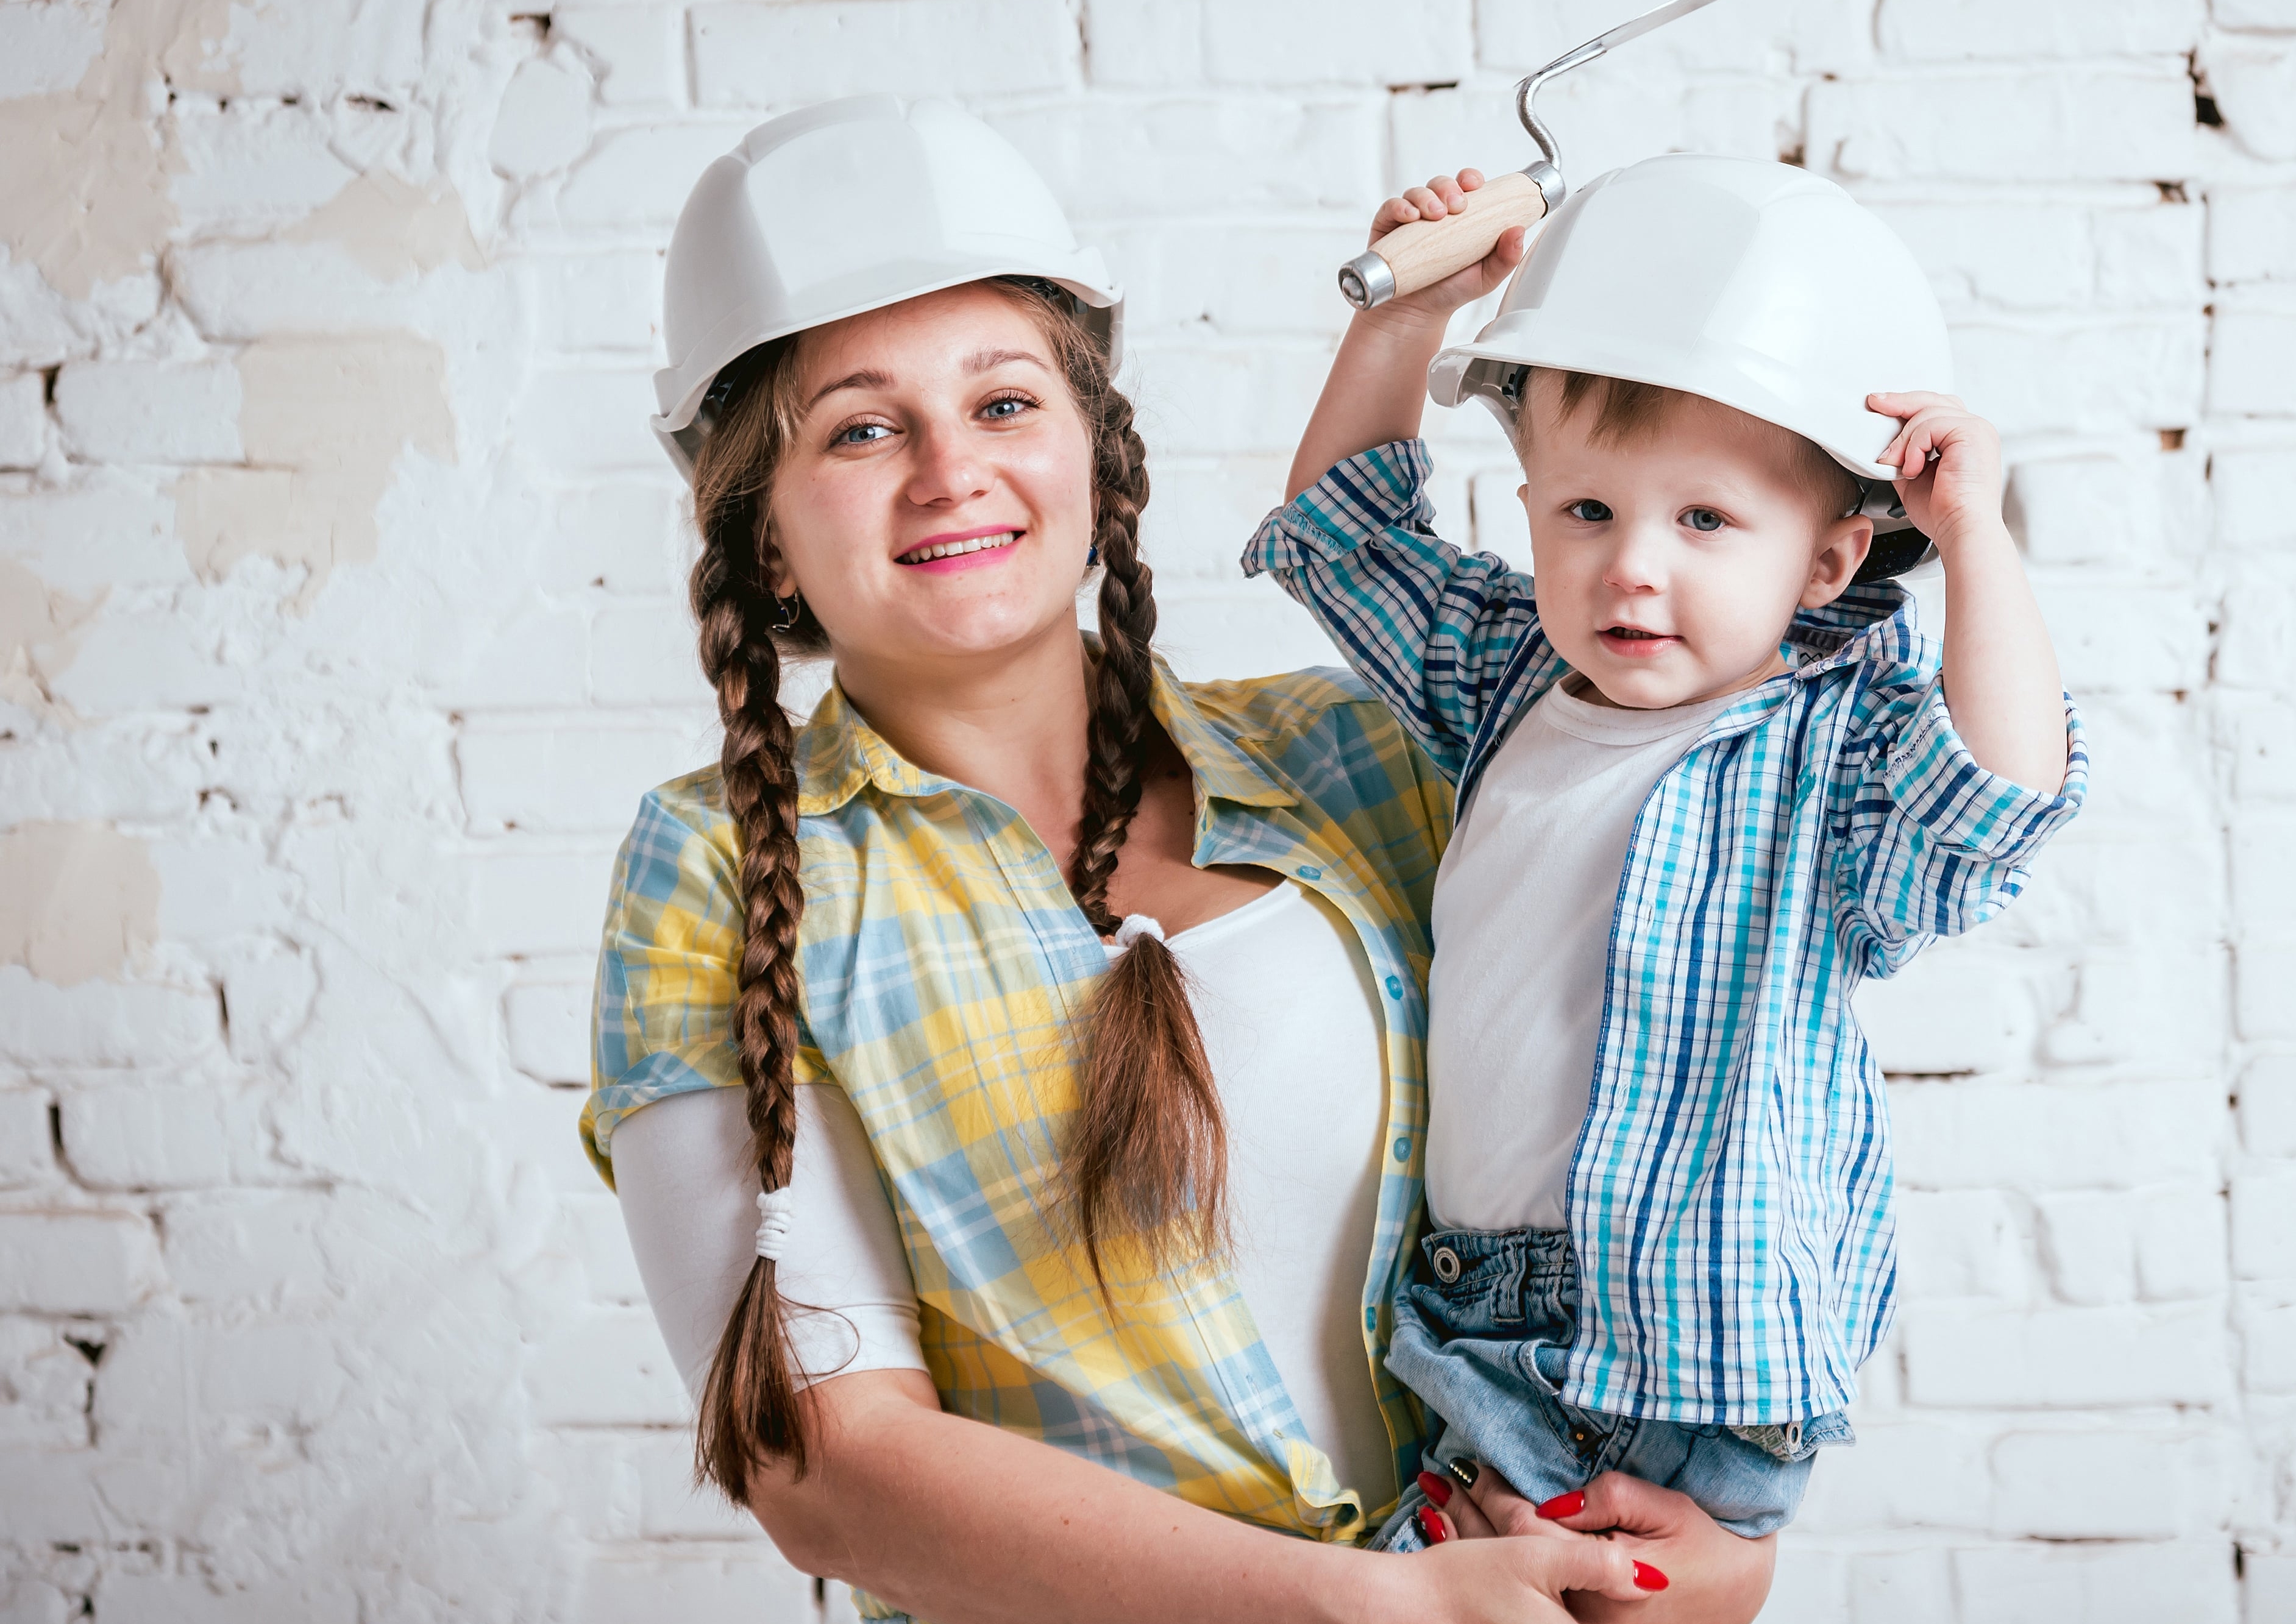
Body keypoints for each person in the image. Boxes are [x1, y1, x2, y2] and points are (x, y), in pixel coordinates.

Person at [581, 98, 1780, 1623]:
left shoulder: (1363, 760)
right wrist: (1369, 1607)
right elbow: (825, 1462)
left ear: (1097, 443)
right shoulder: (720, 871)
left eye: (1005, 402)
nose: (951, 468)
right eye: (864, 426)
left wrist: (1709, 1533)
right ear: (758, 524)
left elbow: (1680, 1090)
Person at [1248, 157, 2089, 1552]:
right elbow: (1344, 546)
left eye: (1702, 521)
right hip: (1474, 1316)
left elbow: (1993, 803)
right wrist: (1405, 318)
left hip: (1677, 1344)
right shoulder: (1509, 676)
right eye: (1587, 512)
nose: (1632, 565)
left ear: (1824, 565)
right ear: (1523, 512)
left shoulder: (1826, 746)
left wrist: (1974, 544)